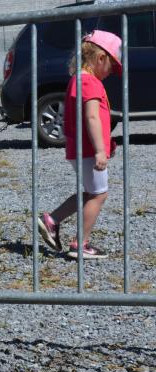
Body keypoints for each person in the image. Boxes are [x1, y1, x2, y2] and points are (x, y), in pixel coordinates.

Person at [38, 30, 122, 259]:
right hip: (88, 150)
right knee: (99, 195)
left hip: (80, 148)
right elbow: (92, 118)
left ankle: (51, 220)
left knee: (89, 193)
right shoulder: (89, 82)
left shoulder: (78, 80)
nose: (112, 72)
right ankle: (80, 244)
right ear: (100, 58)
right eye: (112, 66)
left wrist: (105, 144)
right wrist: (100, 150)